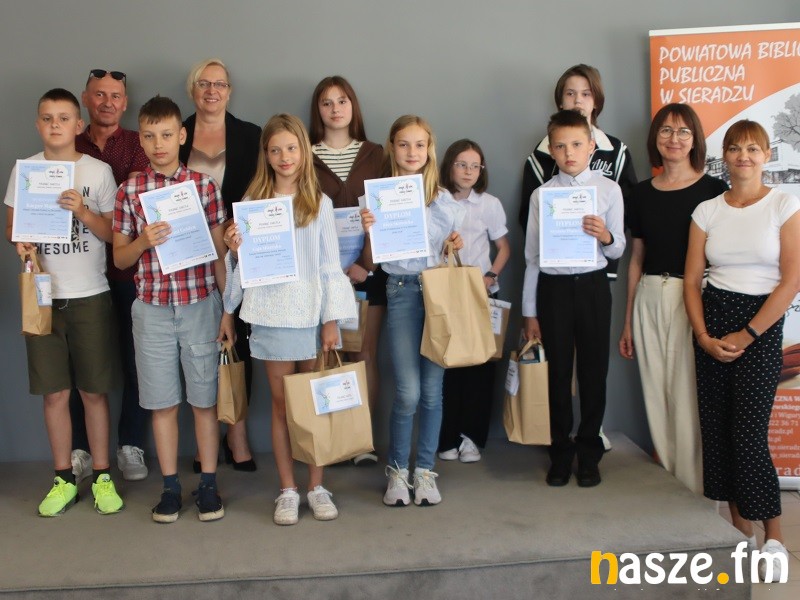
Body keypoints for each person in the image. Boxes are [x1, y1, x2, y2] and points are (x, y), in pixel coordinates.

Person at [222, 114, 356, 525]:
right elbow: (243, 267)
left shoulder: (319, 203)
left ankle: (316, 486)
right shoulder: (253, 203)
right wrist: (233, 251)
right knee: (281, 406)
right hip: (271, 314)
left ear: (303, 151)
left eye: (291, 148)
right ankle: (287, 489)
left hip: (312, 315)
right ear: (266, 155)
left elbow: (331, 265)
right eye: (276, 149)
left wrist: (331, 319)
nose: (284, 157)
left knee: (314, 403)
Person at [684, 119, 800, 581]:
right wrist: (702, 336)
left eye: (753, 149)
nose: (744, 156)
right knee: (718, 433)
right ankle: (741, 532)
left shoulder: (783, 204)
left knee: (748, 434)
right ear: (725, 156)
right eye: (735, 148)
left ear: (766, 155)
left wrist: (748, 334)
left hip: (761, 325)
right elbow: (692, 281)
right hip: (712, 322)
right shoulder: (706, 210)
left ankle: (774, 538)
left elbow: (791, 279)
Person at [113, 95, 233, 523]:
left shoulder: (203, 186)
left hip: (200, 304)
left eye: (166, 135)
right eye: (149, 136)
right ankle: (169, 487)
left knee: (204, 401)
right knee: (162, 403)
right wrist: (143, 241)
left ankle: (208, 485)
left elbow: (219, 254)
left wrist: (228, 310)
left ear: (182, 135)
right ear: (141, 140)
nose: (158, 144)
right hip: (152, 310)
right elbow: (120, 259)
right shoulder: (129, 191)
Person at [4, 88, 123, 516]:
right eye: (47, 118)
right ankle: (63, 477)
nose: (55, 125)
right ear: (38, 125)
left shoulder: (97, 171)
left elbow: (114, 234)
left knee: (93, 391)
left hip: (90, 294)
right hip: (43, 297)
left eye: (63, 118)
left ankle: (103, 475)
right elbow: (14, 229)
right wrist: (21, 244)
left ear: (78, 125)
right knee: (54, 393)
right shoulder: (26, 170)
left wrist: (83, 211)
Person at [520, 64, 636, 453]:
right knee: (556, 373)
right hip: (553, 289)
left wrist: (605, 236)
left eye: (576, 145)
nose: (569, 153)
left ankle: (589, 449)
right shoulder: (542, 196)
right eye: (560, 146)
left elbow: (618, 248)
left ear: (591, 147)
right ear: (551, 150)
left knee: (593, 371)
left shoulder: (609, 191)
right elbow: (532, 258)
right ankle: (559, 449)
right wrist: (529, 311)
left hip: (593, 288)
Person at [618, 104, 726, 494]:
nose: (674, 139)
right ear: (655, 139)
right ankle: (670, 490)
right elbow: (636, 258)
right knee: (655, 392)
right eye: (665, 131)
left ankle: (697, 492)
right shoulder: (641, 194)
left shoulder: (714, 191)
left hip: (693, 298)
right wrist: (628, 320)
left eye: (683, 132)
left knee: (688, 395)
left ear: (695, 139)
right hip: (649, 294)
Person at [360, 115, 464, 507]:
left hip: (437, 293)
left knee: (433, 392)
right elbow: (370, 263)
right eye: (404, 144)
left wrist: (456, 243)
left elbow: (454, 250)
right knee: (408, 391)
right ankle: (397, 472)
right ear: (392, 147)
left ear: (429, 149)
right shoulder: (377, 197)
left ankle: (424, 471)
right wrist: (369, 231)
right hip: (401, 290)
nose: (412, 152)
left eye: (420, 144)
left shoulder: (444, 200)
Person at [70, 68, 150, 483]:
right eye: (99, 94)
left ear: (125, 102)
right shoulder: (68, 144)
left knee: (137, 363)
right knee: (80, 368)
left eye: (115, 96)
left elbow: (138, 201)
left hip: (130, 274)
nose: (107, 102)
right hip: (78, 274)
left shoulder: (139, 144)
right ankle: (81, 449)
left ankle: (130, 444)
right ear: (86, 99)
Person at [180, 59, 261, 471]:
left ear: (229, 91)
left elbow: (262, 189)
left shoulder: (250, 135)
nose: (212, 90)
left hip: (237, 251)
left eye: (220, 84)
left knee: (238, 339)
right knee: (199, 345)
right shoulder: (176, 133)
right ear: (192, 89)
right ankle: (206, 437)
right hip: (186, 256)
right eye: (204, 83)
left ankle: (237, 432)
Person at [309, 75, 384, 465]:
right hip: (321, 274)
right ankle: (331, 441)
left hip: (365, 272)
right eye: (327, 102)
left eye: (342, 101)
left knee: (362, 354)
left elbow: (386, 213)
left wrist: (365, 265)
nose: (335, 109)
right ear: (317, 110)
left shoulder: (376, 154)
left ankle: (361, 441)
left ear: (353, 106)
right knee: (324, 356)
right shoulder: (303, 154)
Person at [436, 139, 509, 463]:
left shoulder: (489, 204)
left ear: (481, 171)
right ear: (449, 166)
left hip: (482, 294)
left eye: (475, 166)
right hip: (447, 294)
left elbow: (504, 248)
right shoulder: (435, 200)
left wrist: (490, 276)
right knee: (448, 368)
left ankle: (471, 437)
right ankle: (447, 438)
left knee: (480, 368)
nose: (468, 171)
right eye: (461, 165)